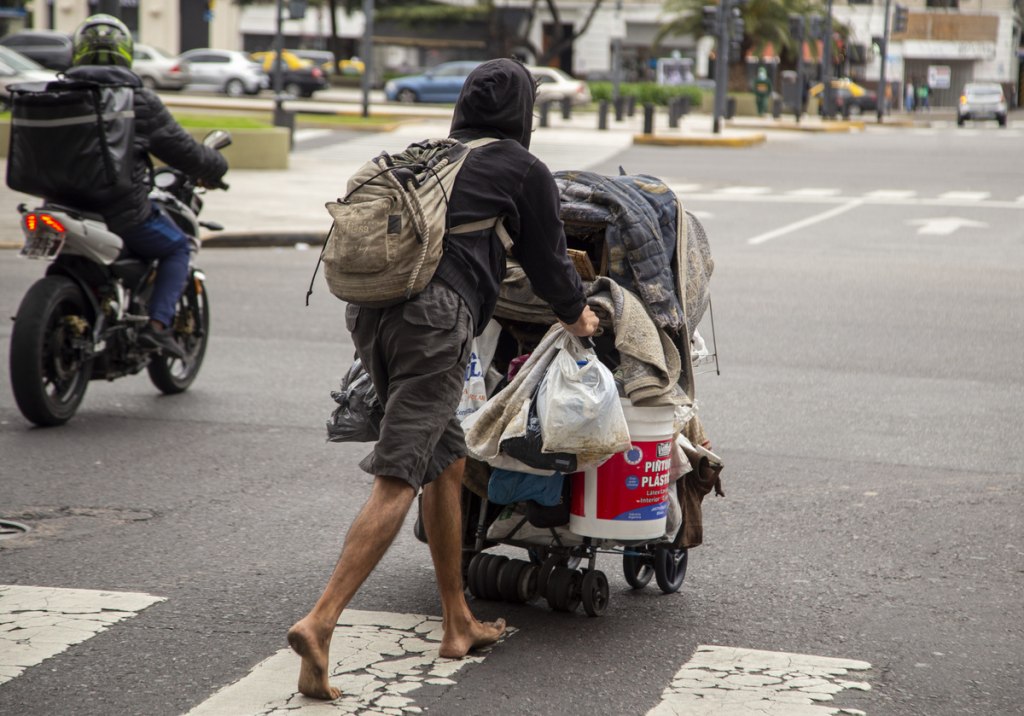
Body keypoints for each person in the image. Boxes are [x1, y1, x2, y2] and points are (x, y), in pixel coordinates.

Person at [287, 57, 600, 700]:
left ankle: (457, 623)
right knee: (401, 472)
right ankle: (320, 622)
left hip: (372, 314)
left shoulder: (433, 154)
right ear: (523, 113)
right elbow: (546, 261)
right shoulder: (521, 166)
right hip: (435, 321)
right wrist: (580, 315)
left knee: (446, 461)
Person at [64, 14, 228, 357]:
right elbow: (184, 152)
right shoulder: (135, 100)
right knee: (178, 247)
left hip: (61, 205)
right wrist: (216, 166)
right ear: (126, 53)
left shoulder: (58, 92)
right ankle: (156, 326)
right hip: (119, 211)